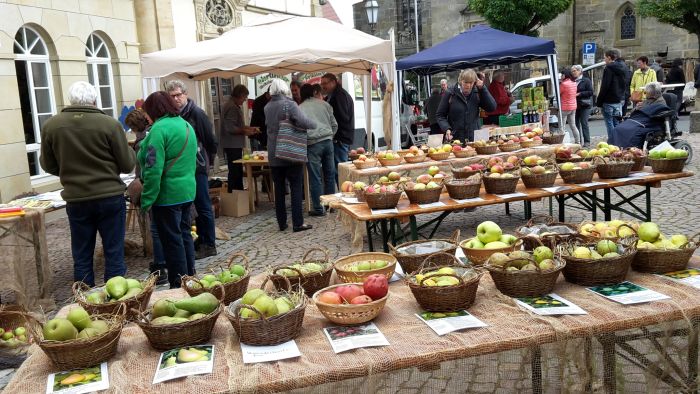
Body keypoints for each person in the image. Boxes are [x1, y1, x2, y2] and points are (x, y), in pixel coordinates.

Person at [40, 81, 135, 287]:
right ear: (94, 100)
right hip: (109, 195)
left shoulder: (52, 125)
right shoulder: (110, 124)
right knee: (114, 251)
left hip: (77, 197)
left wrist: (68, 171)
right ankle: (116, 302)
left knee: (82, 254)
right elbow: (127, 164)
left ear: (71, 100)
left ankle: (85, 302)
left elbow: (47, 164)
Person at [138, 91, 197, 288]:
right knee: (185, 235)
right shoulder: (186, 125)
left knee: (172, 241)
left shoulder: (158, 130)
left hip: (168, 195)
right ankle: (191, 277)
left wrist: (146, 199)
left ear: (154, 110)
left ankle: (178, 283)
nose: (146, 116)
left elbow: (153, 169)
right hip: (187, 191)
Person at [164, 80, 218, 260]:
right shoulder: (173, 116)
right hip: (183, 169)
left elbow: (211, 141)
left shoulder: (196, 114)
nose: (176, 99)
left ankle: (209, 243)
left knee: (203, 205)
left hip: (197, 166)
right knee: (192, 206)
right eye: (172, 96)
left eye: (179, 95)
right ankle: (200, 239)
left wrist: (207, 163)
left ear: (185, 94)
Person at [265, 79, 317, 232]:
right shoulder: (290, 104)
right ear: (284, 89)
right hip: (290, 152)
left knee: (279, 190)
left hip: (274, 153)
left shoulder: (267, 107)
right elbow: (302, 121)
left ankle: (282, 223)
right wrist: (314, 124)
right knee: (295, 187)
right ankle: (298, 223)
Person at [124, 110, 167, 286]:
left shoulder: (144, 141)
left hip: (148, 185)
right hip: (155, 184)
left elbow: (148, 168)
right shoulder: (151, 135)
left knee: (155, 227)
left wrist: (142, 188)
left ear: (134, 127)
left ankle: (160, 264)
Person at [299, 83, 337, 217]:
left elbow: (300, 129)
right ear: (313, 92)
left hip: (312, 144)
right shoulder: (324, 104)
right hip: (328, 141)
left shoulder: (300, 108)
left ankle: (318, 208)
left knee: (315, 177)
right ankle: (331, 205)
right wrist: (330, 135)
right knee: (330, 175)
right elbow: (334, 124)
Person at [436, 68, 496, 143]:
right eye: (466, 82)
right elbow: (440, 115)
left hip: (476, 139)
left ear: (475, 82)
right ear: (460, 81)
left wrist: (483, 88)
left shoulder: (477, 92)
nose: (468, 85)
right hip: (456, 139)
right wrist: (447, 129)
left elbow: (492, 107)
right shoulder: (450, 93)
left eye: (471, 83)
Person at [220, 84, 258, 192]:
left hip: (233, 144)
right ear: (240, 95)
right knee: (235, 172)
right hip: (232, 145)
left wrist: (250, 128)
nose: (245, 100)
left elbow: (237, 125)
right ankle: (236, 196)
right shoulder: (232, 106)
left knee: (236, 171)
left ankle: (238, 195)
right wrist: (246, 132)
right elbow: (231, 128)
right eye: (245, 97)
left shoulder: (232, 105)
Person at [612, 82, 670, 148]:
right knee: (618, 128)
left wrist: (642, 110)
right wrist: (636, 108)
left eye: (646, 93)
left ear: (654, 94)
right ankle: (615, 147)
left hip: (649, 124)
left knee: (630, 131)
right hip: (638, 121)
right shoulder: (648, 100)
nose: (645, 95)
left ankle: (627, 149)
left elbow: (651, 114)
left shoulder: (660, 103)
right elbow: (634, 113)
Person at [321, 73, 354, 172]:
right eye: (321, 84)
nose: (323, 86)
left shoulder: (340, 96)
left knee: (340, 171)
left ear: (333, 82)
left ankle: (342, 187)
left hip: (340, 139)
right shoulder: (334, 95)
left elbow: (342, 117)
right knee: (338, 170)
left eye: (325, 83)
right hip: (340, 138)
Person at [596, 48, 628, 142]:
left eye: (605, 57)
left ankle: (612, 140)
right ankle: (619, 140)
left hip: (609, 100)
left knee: (609, 122)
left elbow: (605, 86)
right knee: (617, 122)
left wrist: (599, 101)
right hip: (619, 99)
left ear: (609, 58)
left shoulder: (609, 68)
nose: (604, 60)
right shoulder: (624, 67)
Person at [572, 65, 594, 147]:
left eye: (575, 71)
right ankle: (578, 141)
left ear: (580, 71)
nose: (573, 73)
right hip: (575, 105)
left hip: (584, 105)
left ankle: (587, 141)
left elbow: (590, 92)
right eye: (572, 71)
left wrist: (580, 94)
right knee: (575, 123)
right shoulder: (572, 81)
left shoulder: (586, 80)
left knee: (584, 123)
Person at [560, 68, 581, 145]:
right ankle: (577, 142)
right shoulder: (574, 83)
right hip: (573, 107)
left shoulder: (563, 84)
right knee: (573, 125)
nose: (561, 76)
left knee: (562, 126)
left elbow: (559, 93)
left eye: (562, 74)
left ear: (564, 75)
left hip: (565, 107)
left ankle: (561, 143)